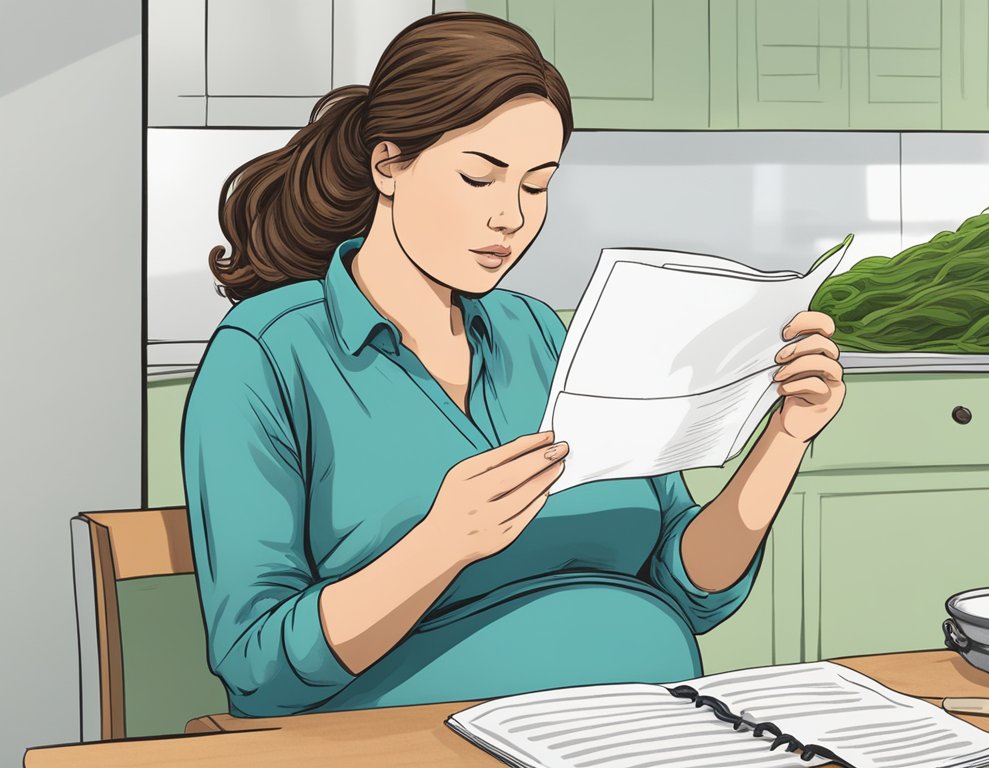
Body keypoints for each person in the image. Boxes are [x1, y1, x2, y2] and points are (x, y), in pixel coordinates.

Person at [183, 11, 846, 718]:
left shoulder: (537, 332)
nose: (512, 218)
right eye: (480, 178)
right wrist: (441, 545)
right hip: (416, 742)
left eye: (536, 186)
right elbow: (257, 668)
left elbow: (686, 588)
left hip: (644, 727)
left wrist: (784, 439)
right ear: (388, 166)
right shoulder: (267, 354)